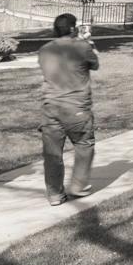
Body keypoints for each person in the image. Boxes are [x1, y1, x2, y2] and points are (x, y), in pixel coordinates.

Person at [36, 13, 98, 206]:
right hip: (76, 107)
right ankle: (78, 185)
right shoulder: (81, 47)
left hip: (50, 107)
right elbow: (95, 64)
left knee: (52, 153)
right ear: (73, 29)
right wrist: (87, 43)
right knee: (84, 144)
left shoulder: (44, 50)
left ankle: (55, 194)